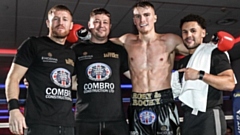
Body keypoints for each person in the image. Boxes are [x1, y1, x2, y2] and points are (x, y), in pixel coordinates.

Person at [110, 1, 188, 135]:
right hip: (137, 104)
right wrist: (83, 36)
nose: (142, 20)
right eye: (138, 16)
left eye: (146, 15)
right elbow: (101, 42)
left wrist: (214, 46)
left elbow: (196, 51)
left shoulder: (170, 40)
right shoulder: (127, 41)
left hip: (163, 103)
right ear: (134, 20)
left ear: (155, 17)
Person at [5, 5, 75, 135]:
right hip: (39, 124)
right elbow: (13, 77)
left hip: (68, 125)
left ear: (71, 25)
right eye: (56, 19)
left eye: (65, 19)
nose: (60, 23)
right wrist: (13, 109)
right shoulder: (33, 44)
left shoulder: (71, 53)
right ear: (48, 23)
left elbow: (73, 83)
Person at [173, 14, 235, 135]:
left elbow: (229, 83)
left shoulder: (214, 53)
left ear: (203, 33)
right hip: (188, 117)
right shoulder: (182, 63)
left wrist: (200, 75)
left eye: (193, 31)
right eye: (185, 32)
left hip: (209, 116)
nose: (188, 35)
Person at [72, 8, 130, 135]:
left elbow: (136, 76)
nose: (101, 25)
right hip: (85, 119)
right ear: (89, 25)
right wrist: (36, 80)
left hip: (115, 120)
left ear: (110, 26)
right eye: (97, 21)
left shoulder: (118, 50)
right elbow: (65, 79)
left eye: (105, 22)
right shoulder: (77, 50)